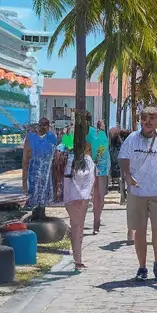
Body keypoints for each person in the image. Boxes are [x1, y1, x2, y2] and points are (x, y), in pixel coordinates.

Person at [118, 106, 157, 282]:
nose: (148, 121)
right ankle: (142, 266)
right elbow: (123, 158)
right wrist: (128, 176)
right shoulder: (132, 139)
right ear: (140, 120)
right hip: (137, 192)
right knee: (140, 231)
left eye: (152, 118)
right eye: (145, 118)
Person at [62, 115, 97, 271]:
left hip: (80, 196)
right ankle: (78, 260)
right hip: (75, 196)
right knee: (77, 227)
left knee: (78, 227)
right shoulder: (69, 155)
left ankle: (78, 257)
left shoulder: (85, 156)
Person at [22, 117, 57, 214]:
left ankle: (41, 212)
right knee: (34, 192)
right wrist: (24, 181)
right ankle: (34, 210)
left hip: (46, 170)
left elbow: (54, 157)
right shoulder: (31, 137)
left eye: (46, 125)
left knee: (44, 195)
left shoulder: (52, 137)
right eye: (42, 124)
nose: (44, 127)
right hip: (34, 169)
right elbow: (25, 157)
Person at [87, 118, 110, 233]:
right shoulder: (84, 135)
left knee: (99, 196)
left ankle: (97, 221)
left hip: (100, 169)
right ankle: (94, 221)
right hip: (89, 169)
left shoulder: (101, 136)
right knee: (94, 196)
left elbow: (104, 155)